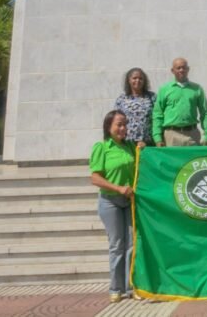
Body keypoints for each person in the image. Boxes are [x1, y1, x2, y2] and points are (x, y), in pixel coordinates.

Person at [89, 110, 137, 303]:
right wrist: (117, 188)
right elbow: (95, 177)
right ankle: (115, 287)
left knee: (132, 245)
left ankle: (129, 287)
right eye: (118, 124)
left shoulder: (131, 147)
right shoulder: (102, 147)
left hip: (129, 201)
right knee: (117, 245)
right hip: (110, 201)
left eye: (125, 124)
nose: (123, 128)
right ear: (109, 127)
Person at [152, 57, 207, 146]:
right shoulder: (164, 89)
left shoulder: (197, 89)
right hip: (171, 135)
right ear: (172, 70)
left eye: (184, 67)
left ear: (188, 69)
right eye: (178, 68)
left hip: (192, 134)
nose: (181, 70)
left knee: (193, 160)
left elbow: (205, 112)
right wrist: (157, 137)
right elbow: (158, 114)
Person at [113, 68, 156, 148]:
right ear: (129, 80)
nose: (138, 80)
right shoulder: (122, 99)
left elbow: (157, 117)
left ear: (144, 81)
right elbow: (116, 120)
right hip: (127, 142)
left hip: (148, 142)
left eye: (140, 78)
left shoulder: (152, 97)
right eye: (134, 78)